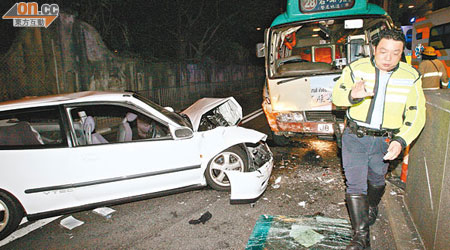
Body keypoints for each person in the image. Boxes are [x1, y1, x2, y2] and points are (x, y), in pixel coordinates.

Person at [332, 29, 426, 250]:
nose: (388, 58)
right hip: (355, 137)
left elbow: (416, 113)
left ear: (402, 52)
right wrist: (352, 96)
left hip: (385, 141)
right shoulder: (355, 69)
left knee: (377, 181)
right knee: (355, 184)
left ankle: (372, 205)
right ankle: (361, 237)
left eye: (396, 53)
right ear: (374, 49)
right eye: (383, 51)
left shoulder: (411, 76)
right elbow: (337, 96)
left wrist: (401, 140)